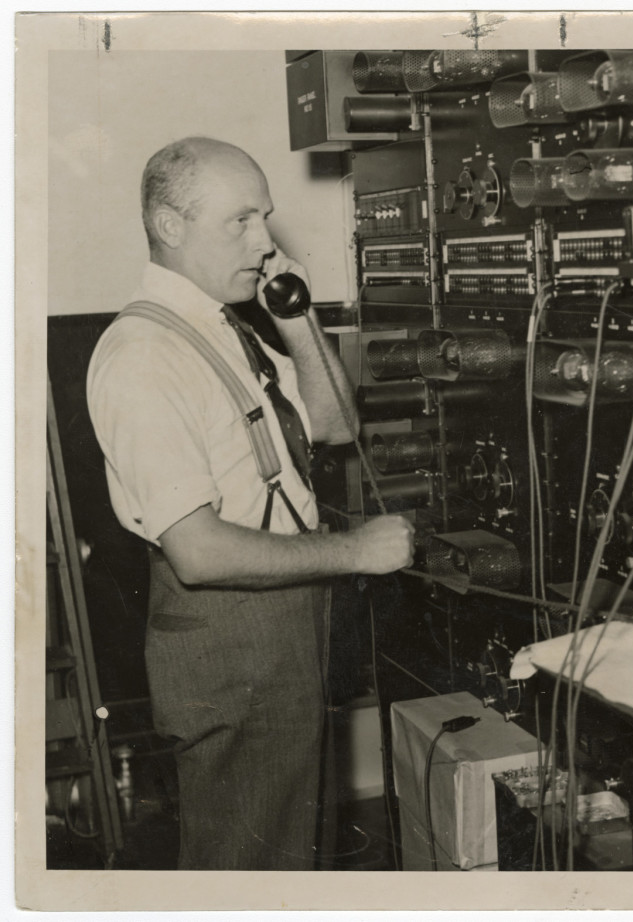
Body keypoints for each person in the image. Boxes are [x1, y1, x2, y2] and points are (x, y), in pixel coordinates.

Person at [86, 137, 414, 870]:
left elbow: (333, 424)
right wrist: (356, 550)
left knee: (292, 857)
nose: (265, 242)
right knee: (250, 872)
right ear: (170, 227)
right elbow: (198, 553)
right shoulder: (144, 354)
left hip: (283, 625)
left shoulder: (222, 328)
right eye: (241, 222)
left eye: (264, 218)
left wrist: (295, 318)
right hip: (230, 642)